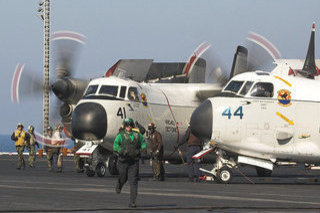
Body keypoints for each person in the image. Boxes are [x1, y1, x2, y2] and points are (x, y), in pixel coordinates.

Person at [113, 118, 146, 208]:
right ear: (124, 126)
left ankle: (132, 202)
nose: (129, 126)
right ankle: (119, 185)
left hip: (134, 162)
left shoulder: (137, 135)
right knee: (123, 177)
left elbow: (143, 143)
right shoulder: (120, 135)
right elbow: (115, 145)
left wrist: (143, 150)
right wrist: (121, 150)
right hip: (123, 161)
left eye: (130, 125)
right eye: (127, 125)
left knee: (134, 181)